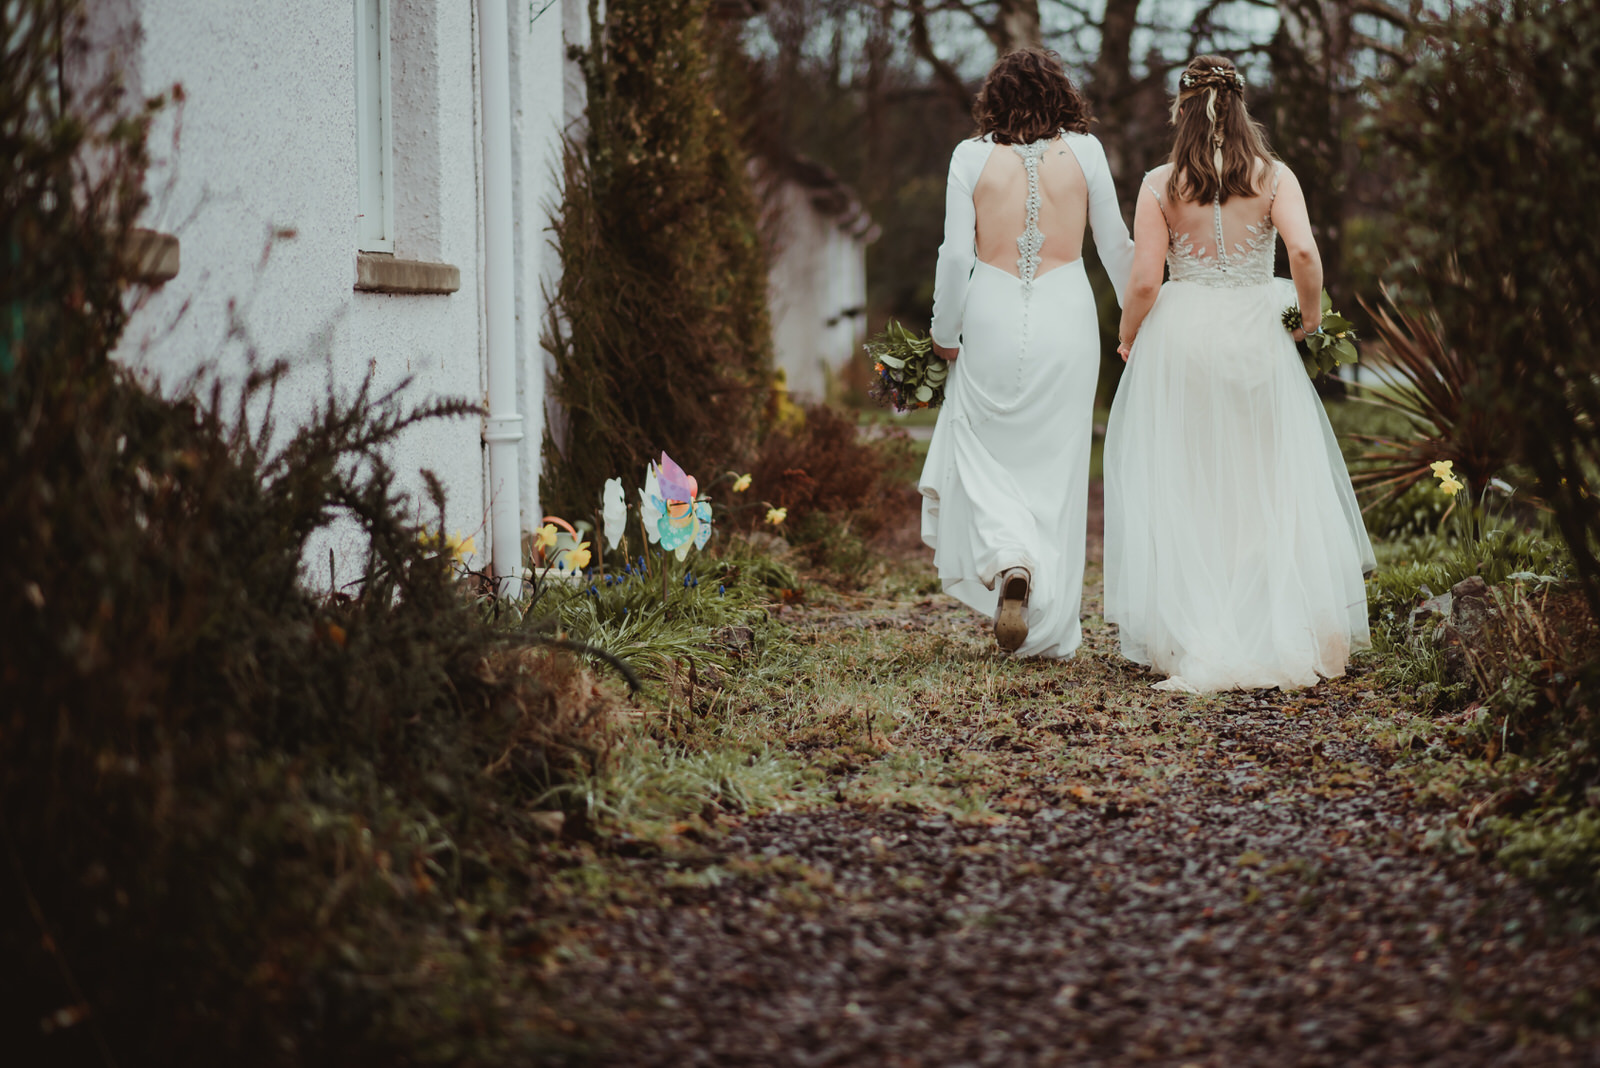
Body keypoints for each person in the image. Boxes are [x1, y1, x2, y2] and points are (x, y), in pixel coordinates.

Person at [1102, 55, 1375, 693]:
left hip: (1184, 340)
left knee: (1192, 482)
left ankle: (1201, 630)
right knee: (1267, 479)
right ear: (1241, 106)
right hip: (1257, 336)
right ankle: (1276, 625)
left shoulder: (1158, 184)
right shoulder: (1275, 176)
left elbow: (1144, 280)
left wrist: (1127, 336)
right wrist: (1309, 320)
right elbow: (1304, 251)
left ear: (1182, 109)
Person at [919, 49, 1134, 657]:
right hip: (1067, 315)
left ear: (993, 98)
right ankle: (1050, 630)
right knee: (1059, 470)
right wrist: (1142, 319)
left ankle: (1009, 558)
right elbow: (1117, 249)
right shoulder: (1086, 152)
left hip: (990, 308)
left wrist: (945, 332)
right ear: (1062, 94)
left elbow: (956, 257)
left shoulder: (970, 156)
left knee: (979, 446)